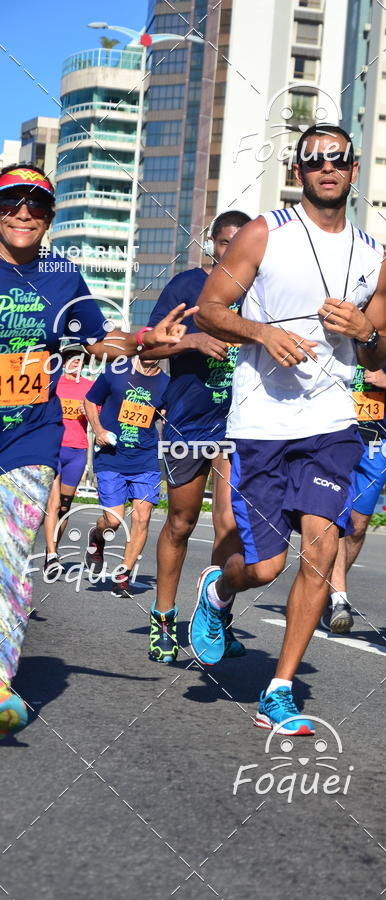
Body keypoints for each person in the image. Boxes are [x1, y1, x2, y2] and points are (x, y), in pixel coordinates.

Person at [190, 124, 386, 735]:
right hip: (262, 423)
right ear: (297, 170)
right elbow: (209, 310)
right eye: (314, 159)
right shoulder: (263, 233)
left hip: (331, 423)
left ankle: (278, 690)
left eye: (338, 158)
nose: (327, 167)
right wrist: (262, 333)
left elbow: (380, 350)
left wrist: (365, 333)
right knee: (265, 568)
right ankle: (219, 592)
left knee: (322, 549)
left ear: (354, 170)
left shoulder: (374, 255)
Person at [0, 163, 194, 740]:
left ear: (50, 217)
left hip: (28, 437)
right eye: (12, 202)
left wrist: (144, 340)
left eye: (37, 205)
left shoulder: (62, 276)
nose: (24, 213)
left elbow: (99, 340)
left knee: (9, 557)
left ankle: (1, 683)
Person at [142, 210, 251, 665]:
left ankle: (216, 616)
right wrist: (192, 341)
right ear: (211, 244)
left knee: (231, 524)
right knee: (181, 522)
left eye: (241, 244)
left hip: (241, 425)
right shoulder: (187, 286)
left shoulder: (261, 291)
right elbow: (147, 345)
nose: (232, 252)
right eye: (225, 243)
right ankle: (163, 619)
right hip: (188, 421)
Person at [325, 326, 386, 632]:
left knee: (357, 527)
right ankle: (338, 598)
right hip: (332, 439)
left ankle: (327, 588)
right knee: (336, 520)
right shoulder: (332, 333)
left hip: (375, 445)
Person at [83, 357, 170, 598]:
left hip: (145, 459)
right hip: (111, 457)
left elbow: (167, 413)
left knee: (142, 518)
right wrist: (98, 430)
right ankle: (97, 536)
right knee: (113, 521)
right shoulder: (116, 371)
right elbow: (90, 400)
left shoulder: (166, 383)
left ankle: (123, 575)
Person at [43, 346, 95, 578]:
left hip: (77, 451)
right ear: (63, 363)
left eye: (80, 360)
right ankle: (52, 556)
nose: (76, 363)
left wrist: (89, 410)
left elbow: (98, 417)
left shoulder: (90, 387)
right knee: (54, 504)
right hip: (54, 448)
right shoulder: (53, 384)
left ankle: (51, 550)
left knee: (64, 507)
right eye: (72, 359)